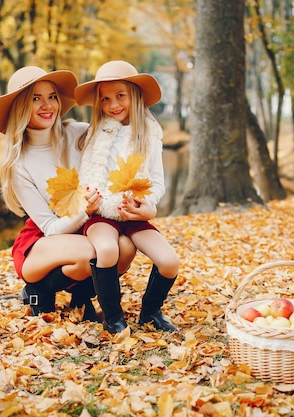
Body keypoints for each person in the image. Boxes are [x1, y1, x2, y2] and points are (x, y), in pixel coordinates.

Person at [0, 66, 139, 321]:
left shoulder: (77, 133)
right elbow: (49, 226)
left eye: (52, 96)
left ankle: (81, 298)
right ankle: (37, 290)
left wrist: (124, 95)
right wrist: (84, 212)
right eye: (36, 98)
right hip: (44, 239)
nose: (47, 105)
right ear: (21, 106)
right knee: (94, 252)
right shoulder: (19, 164)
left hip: (85, 228)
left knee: (124, 248)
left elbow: (120, 131)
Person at [74, 60, 180, 333]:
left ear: (134, 94)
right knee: (107, 249)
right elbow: (86, 179)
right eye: (105, 99)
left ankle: (151, 312)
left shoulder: (149, 135)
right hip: (102, 214)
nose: (113, 104)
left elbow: (156, 182)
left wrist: (149, 207)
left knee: (169, 261)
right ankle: (113, 317)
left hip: (132, 211)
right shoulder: (95, 135)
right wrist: (90, 200)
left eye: (120, 95)